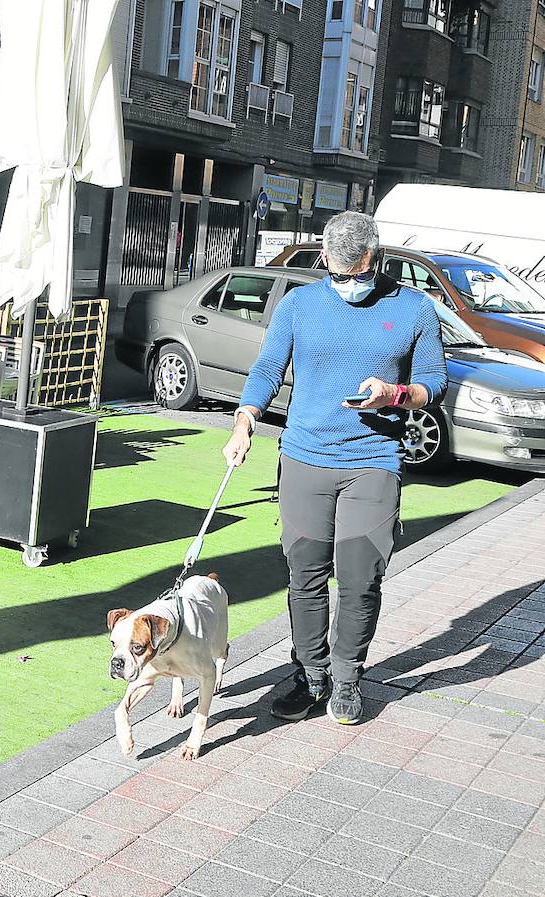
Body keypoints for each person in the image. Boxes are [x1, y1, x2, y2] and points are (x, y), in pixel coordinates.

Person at [223, 211, 448, 725]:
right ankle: (309, 675)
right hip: (304, 458)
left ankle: (347, 679)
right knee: (304, 576)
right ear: (324, 260)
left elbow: (435, 382)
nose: (350, 285)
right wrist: (245, 419)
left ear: (377, 258)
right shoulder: (299, 304)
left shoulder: (412, 309)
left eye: (361, 274)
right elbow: (268, 366)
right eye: (339, 275)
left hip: (373, 462)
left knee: (360, 579)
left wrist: (396, 395)